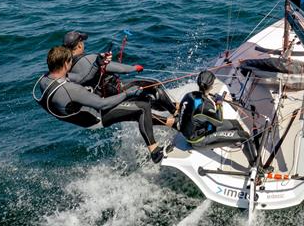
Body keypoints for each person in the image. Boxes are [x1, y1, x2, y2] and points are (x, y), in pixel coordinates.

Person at [36, 46, 173, 163]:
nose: (71, 66)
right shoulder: (70, 90)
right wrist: (128, 93)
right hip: (96, 117)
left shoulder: (45, 79)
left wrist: (97, 64)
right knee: (142, 107)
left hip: (78, 115)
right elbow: (103, 104)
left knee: (132, 109)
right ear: (66, 64)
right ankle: (155, 151)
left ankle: (173, 123)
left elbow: (79, 78)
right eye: (70, 63)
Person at [63, 30, 177, 116]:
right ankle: (176, 113)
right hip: (116, 91)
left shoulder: (67, 66)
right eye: (82, 41)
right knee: (154, 85)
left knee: (145, 98)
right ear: (79, 45)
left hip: (102, 99)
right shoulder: (90, 59)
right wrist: (135, 68)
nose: (83, 43)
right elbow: (122, 69)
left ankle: (172, 107)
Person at [176, 70, 255, 162]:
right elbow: (219, 122)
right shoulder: (204, 106)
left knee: (235, 123)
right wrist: (219, 103)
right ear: (211, 86)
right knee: (245, 136)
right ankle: (257, 167)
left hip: (194, 132)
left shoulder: (189, 95)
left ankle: (241, 143)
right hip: (200, 141)